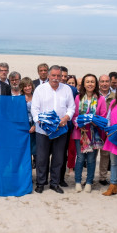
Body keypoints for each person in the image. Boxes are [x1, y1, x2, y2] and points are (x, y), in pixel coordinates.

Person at [30, 65, 75, 194]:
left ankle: (54, 183)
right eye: (53, 75)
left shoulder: (66, 89)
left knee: (58, 158)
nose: (56, 78)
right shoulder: (40, 89)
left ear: (61, 76)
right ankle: (40, 183)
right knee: (42, 158)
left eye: (58, 76)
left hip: (60, 130)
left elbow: (71, 108)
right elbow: (34, 109)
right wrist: (40, 120)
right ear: (48, 76)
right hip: (43, 130)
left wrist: (66, 118)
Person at [71, 74, 107, 193]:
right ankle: (77, 181)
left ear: (95, 84)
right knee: (80, 158)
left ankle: (89, 182)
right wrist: (79, 124)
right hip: (80, 132)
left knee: (91, 159)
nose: (90, 84)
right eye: (87, 82)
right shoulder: (78, 98)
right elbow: (74, 115)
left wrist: (95, 121)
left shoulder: (101, 99)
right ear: (84, 84)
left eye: (92, 81)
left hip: (94, 133)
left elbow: (103, 116)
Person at [97, 74, 116, 186]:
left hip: (108, 130)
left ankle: (102, 177)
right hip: (95, 128)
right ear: (99, 82)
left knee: (105, 154)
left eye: (107, 81)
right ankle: (90, 177)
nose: (104, 84)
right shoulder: (94, 95)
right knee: (92, 154)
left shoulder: (115, 96)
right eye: (102, 81)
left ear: (110, 82)